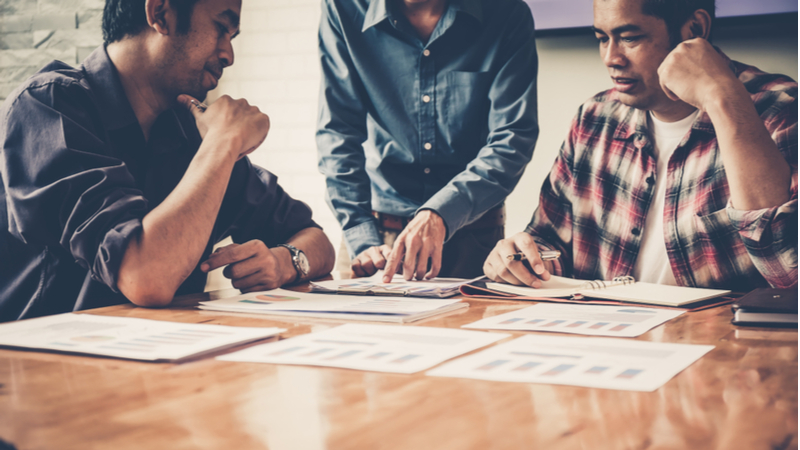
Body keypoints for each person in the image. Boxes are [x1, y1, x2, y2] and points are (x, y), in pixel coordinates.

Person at [0, 0, 335, 322]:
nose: (228, 54)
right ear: (160, 12)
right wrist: (225, 142)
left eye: (232, 37)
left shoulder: (191, 134)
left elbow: (315, 239)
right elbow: (145, 276)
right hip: (46, 369)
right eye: (221, 27)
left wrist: (285, 262)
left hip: (170, 368)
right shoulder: (48, 108)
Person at [484, 0, 797, 292]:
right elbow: (550, 245)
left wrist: (725, 102)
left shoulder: (780, 110)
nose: (611, 58)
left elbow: (788, 274)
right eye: (602, 39)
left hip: (729, 346)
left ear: (695, 30)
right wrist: (520, 259)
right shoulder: (595, 118)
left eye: (630, 38)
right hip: (607, 337)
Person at [317, 0, 539, 282]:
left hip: (474, 242)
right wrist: (361, 235)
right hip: (377, 241)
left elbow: (513, 139)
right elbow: (337, 132)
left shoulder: (506, 13)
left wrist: (442, 211)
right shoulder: (343, 7)